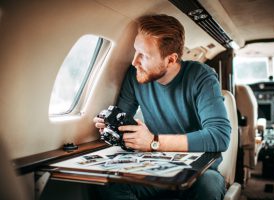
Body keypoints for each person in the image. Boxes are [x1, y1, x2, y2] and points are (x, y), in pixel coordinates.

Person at [93, 14, 231, 200]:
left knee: (210, 185)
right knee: (107, 183)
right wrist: (110, 126)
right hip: (155, 170)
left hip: (198, 173)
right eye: (135, 51)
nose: (135, 62)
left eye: (144, 55)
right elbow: (124, 122)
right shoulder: (135, 76)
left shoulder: (202, 77)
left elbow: (219, 136)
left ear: (171, 60)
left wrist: (153, 142)